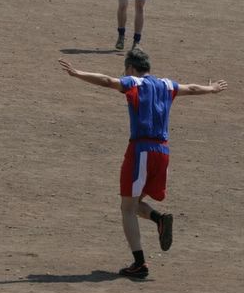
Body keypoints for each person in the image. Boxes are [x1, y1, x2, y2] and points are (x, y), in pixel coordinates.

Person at [58, 49, 227, 279]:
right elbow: (192, 88)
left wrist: (77, 73)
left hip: (141, 151)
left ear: (130, 68)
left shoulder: (134, 82)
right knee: (134, 203)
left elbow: (107, 81)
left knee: (127, 208)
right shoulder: (166, 85)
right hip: (163, 151)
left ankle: (139, 263)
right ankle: (159, 220)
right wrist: (212, 89)